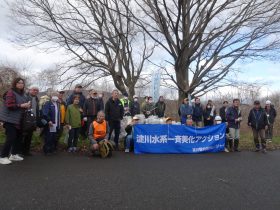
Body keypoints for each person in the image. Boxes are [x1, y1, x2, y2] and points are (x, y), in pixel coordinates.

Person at [0, 78, 30, 164]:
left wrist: (27, 105)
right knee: (11, 137)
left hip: (19, 120)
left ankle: (13, 154)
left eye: (22, 83)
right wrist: (21, 105)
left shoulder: (22, 94)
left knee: (18, 138)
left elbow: (22, 106)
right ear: (15, 84)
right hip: (9, 119)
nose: (21, 84)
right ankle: (3, 156)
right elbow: (10, 105)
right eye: (19, 83)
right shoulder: (11, 92)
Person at [22, 86, 40, 156]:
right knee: (24, 136)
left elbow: (37, 109)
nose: (35, 91)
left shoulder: (36, 99)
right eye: (34, 90)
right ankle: (21, 151)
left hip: (33, 120)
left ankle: (26, 151)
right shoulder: (25, 97)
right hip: (26, 119)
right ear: (30, 90)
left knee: (29, 136)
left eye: (37, 90)